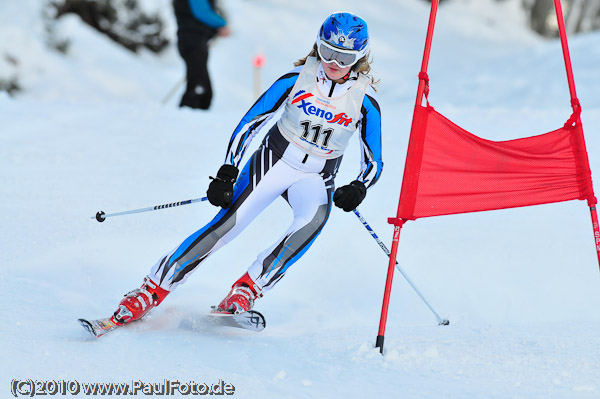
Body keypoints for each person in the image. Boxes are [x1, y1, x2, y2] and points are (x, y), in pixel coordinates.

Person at [109, 12, 383, 325]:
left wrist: (360, 186)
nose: (334, 62)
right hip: (275, 161)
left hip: (316, 176)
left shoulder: (366, 100)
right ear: (317, 47)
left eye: (344, 57)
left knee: (312, 223)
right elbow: (250, 124)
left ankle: (247, 289)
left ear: (359, 57)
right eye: (328, 52)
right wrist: (228, 170)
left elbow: (374, 159)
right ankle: (151, 290)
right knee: (227, 224)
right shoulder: (296, 80)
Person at [173, 0, 230, 109]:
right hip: (193, 40)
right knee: (199, 88)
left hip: (192, 39)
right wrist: (222, 24)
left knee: (202, 89)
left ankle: (187, 118)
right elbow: (202, 12)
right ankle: (183, 119)